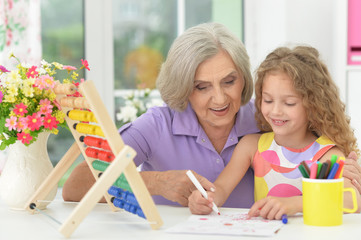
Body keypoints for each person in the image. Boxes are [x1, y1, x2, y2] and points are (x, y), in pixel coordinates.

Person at [62, 23, 361, 208]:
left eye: (229, 82)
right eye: (201, 87)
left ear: (245, 79)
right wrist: (155, 182)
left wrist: (349, 175)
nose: (219, 99)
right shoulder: (156, 125)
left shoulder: (267, 117)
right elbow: (75, 187)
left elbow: (324, 152)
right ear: (183, 88)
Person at [188, 45, 361, 219]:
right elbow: (222, 188)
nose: (276, 111)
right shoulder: (252, 146)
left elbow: (352, 201)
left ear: (313, 105)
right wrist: (207, 198)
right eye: (268, 100)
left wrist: (294, 204)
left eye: (289, 103)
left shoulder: (327, 155)